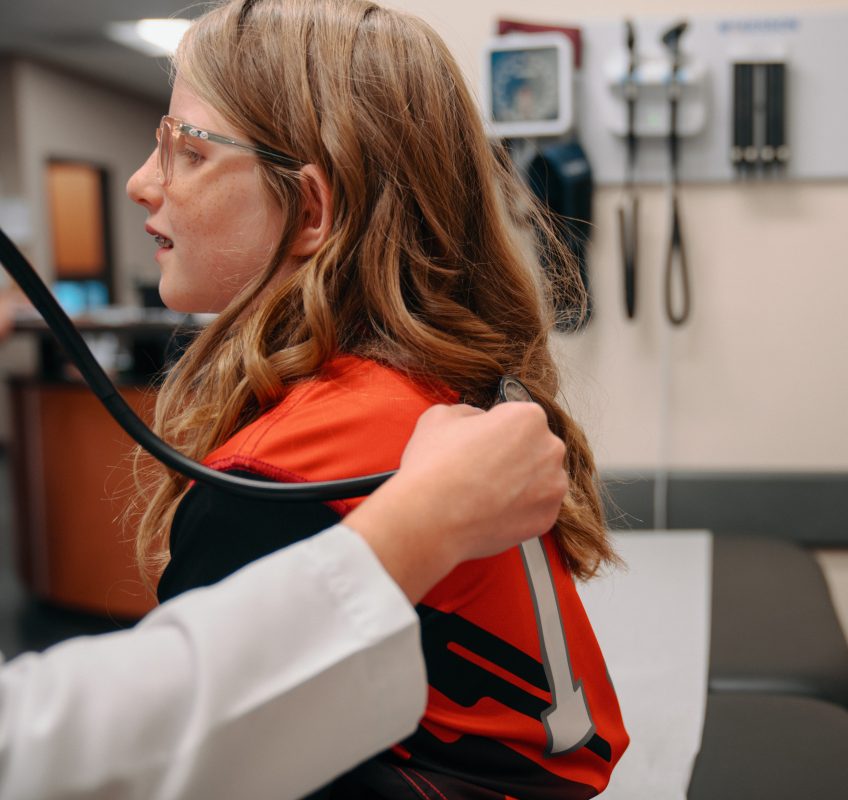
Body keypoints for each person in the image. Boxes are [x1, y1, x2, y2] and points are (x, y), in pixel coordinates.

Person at [124, 1, 628, 798]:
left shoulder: (281, 480)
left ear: (312, 210)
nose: (140, 183)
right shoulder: (442, 388)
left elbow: (169, 766)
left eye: (186, 149)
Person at [0, 400, 570, 800]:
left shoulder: (270, 469)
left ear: (312, 220)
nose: (146, 217)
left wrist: (420, 527)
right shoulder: (459, 408)